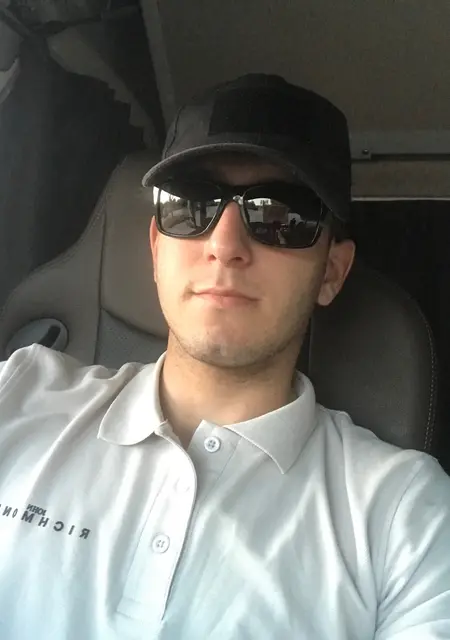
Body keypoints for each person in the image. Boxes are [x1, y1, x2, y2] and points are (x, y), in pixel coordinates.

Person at [0, 74, 449, 640]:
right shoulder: (19, 393)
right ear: (157, 249)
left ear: (331, 273)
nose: (225, 245)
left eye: (278, 216)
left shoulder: (405, 516)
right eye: (190, 205)